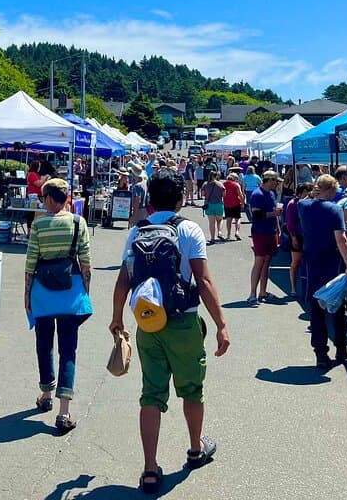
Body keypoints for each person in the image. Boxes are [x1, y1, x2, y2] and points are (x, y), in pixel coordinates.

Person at [109, 169, 230, 494]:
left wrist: (117, 318)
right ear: (179, 199)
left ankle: (149, 468)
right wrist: (220, 324)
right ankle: (194, 449)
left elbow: (124, 279)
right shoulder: (189, 229)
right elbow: (203, 281)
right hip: (183, 321)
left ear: (149, 200)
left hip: (148, 322)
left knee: (151, 394)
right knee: (192, 389)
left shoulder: (137, 232)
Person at [25, 178, 92, 433]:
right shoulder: (78, 222)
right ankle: (64, 412)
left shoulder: (39, 223)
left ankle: (45, 395)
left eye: (44, 198)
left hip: (42, 292)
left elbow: (31, 261)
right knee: (68, 350)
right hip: (70, 292)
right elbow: (85, 260)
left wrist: (26, 294)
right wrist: (86, 290)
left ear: (51, 199)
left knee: (44, 344)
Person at [298, 174, 347, 368]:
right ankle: (341, 346)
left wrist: (313, 193)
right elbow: (341, 239)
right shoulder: (335, 209)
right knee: (337, 305)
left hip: (312, 260)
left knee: (316, 309)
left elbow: (302, 200)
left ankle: (321, 353)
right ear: (331, 190)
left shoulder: (304, 207)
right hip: (332, 261)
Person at [247, 171, 282, 304]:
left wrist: (277, 229)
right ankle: (252, 294)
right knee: (259, 261)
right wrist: (273, 214)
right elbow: (256, 214)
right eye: (275, 181)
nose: (277, 183)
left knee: (267, 262)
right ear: (269, 180)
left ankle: (263, 291)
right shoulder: (257, 194)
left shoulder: (271, 194)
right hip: (260, 232)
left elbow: (275, 213)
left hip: (270, 231)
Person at [285, 183, 314, 299]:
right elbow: (290, 223)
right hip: (297, 235)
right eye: (308, 192)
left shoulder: (310, 204)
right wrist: (293, 237)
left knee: (307, 262)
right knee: (295, 262)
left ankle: (307, 287)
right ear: (301, 193)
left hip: (308, 236)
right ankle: (293, 287)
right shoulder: (293, 204)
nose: (309, 195)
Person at [201, 170, 226, 243]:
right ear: (216, 176)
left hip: (209, 204)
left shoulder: (205, 184)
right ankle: (220, 232)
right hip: (218, 204)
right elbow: (224, 194)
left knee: (211, 223)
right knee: (220, 220)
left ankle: (212, 238)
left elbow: (202, 194)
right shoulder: (220, 184)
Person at [221, 172, 245, 241]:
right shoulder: (236, 185)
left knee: (229, 219)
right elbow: (240, 195)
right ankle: (237, 232)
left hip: (227, 203)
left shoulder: (224, 184)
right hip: (236, 203)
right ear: (234, 178)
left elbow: (222, 194)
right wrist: (242, 203)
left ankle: (228, 234)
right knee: (237, 219)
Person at [126, 162, 148, 228]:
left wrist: (133, 216)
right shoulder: (145, 182)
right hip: (144, 210)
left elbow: (137, 201)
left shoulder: (137, 186)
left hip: (139, 211)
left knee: (136, 231)